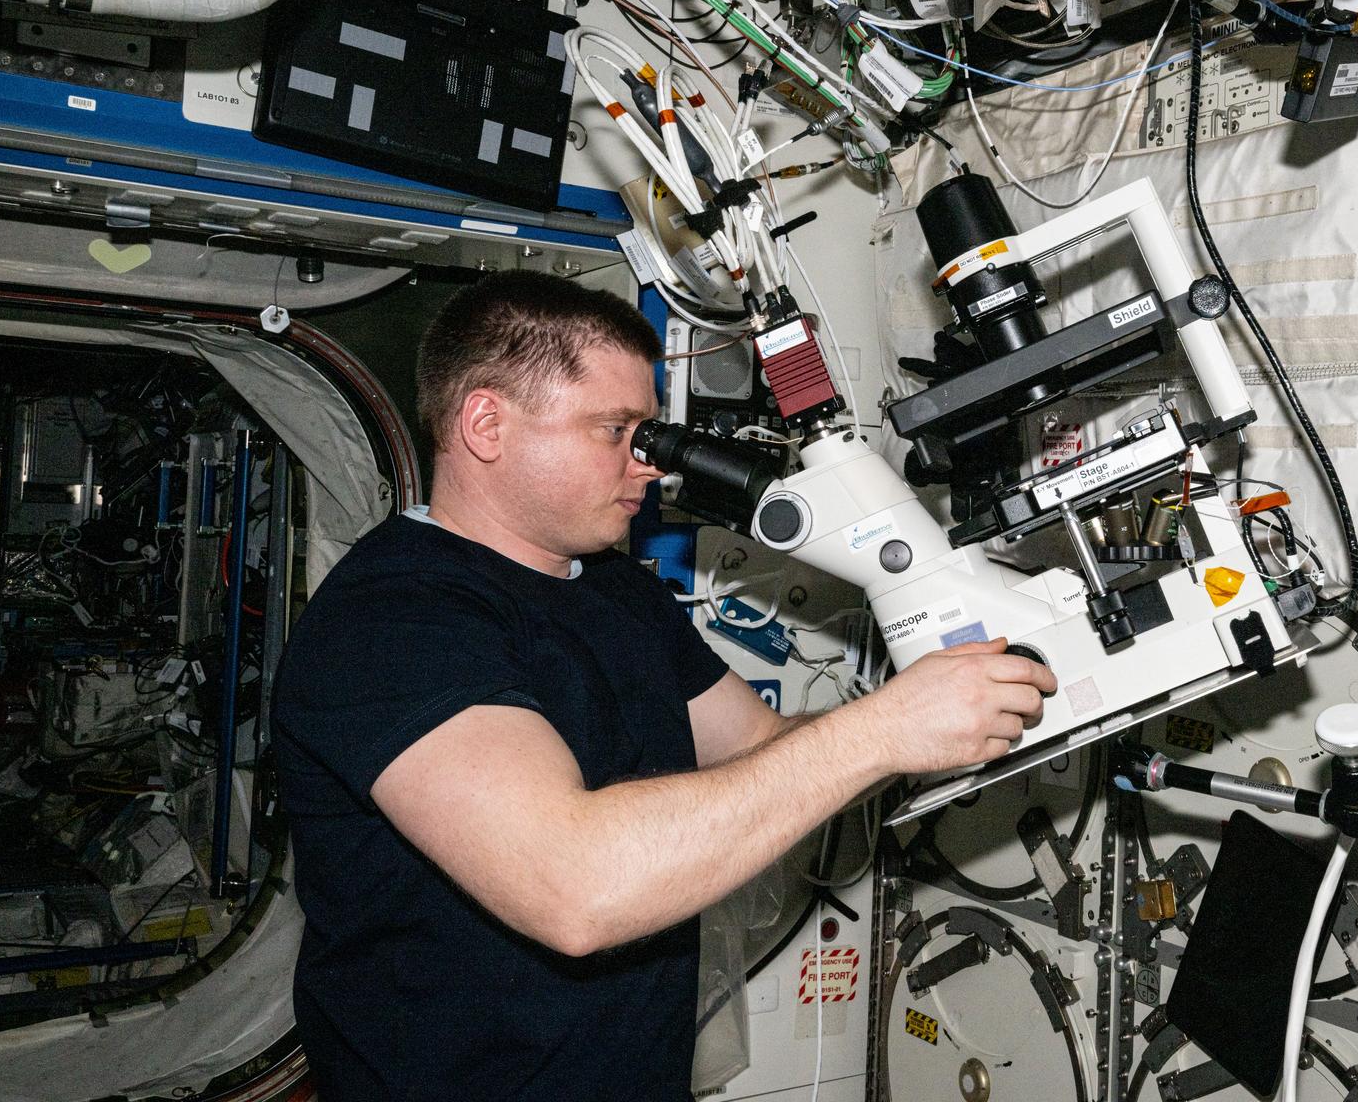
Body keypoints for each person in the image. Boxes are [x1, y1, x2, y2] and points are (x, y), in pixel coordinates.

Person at [271, 271, 1055, 1100]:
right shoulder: (389, 623)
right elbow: (575, 886)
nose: (647, 467)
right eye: (616, 431)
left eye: (646, 434)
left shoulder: (614, 587)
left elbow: (760, 746)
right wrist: (883, 732)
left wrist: (941, 713)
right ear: (486, 423)